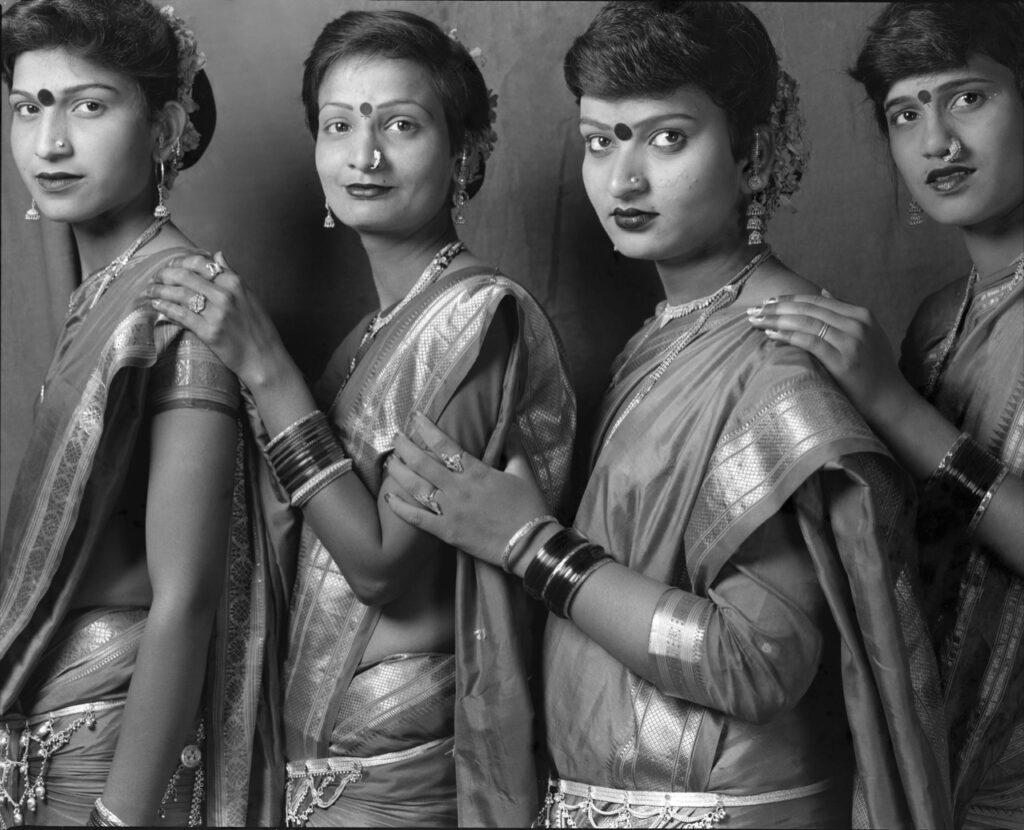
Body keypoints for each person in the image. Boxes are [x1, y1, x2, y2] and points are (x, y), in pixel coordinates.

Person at [384, 2, 953, 827]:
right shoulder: (664, 336)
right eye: (601, 141)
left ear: (754, 156)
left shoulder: (781, 360)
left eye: (667, 138)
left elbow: (756, 662)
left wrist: (529, 545)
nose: (624, 179)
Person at [148, 9, 575, 826]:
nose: (364, 156)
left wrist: (268, 369)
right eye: (338, 125)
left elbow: (380, 566)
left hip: (402, 773)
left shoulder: (477, 320)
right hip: (322, 760)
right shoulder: (369, 337)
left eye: (401, 125)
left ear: (464, 153)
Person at [744, 3, 1024, 827]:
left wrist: (892, 404)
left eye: (967, 98)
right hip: (943, 766)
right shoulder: (937, 323)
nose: (937, 141)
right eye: (905, 114)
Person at [0, 1, 275, 826]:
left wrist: (118, 819)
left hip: (106, 758)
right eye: (28, 107)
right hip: (46, 742)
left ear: (164, 128)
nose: (50, 143)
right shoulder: (105, 296)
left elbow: (186, 595)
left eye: (88, 106)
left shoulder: (178, 300)